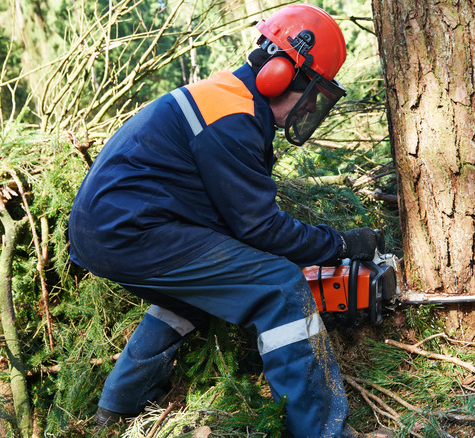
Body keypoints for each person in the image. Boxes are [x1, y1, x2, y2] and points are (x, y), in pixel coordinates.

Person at [67, 4, 382, 437]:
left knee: (188, 299)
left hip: (106, 231)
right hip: (131, 232)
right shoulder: (230, 118)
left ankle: (116, 408)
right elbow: (259, 227)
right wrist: (340, 246)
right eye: (310, 94)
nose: (309, 107)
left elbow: (237, 222)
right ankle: (320, 431)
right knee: (279, 287)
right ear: (281, 74)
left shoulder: (229, 100)